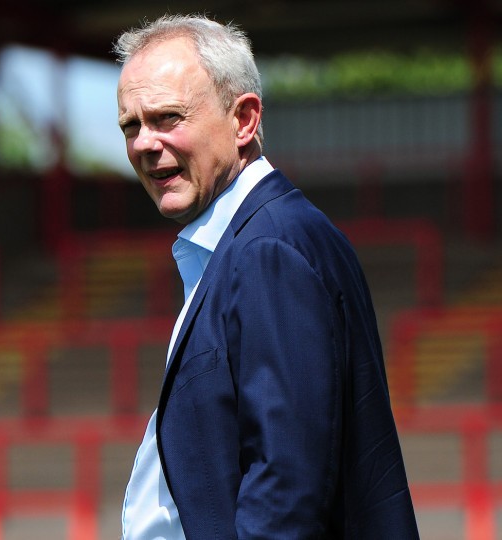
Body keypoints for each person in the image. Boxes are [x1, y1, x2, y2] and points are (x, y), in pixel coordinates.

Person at [115, 14, 419, 538]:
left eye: (167, 117)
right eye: (130, 126)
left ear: (245, 120)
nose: (144, 143)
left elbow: (287, 484)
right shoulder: (251, 240)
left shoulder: (270, 249)